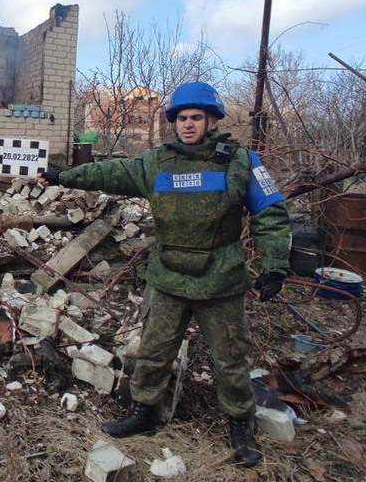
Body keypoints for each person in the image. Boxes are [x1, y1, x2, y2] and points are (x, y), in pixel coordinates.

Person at [38, 82, 290, 467]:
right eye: (182, 118)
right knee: (154, 350)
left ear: (212, 120)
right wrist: (64, 176)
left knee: (231, 357)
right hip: (169, 275)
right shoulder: (156, 162)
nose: (188, 125)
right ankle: (143, 412)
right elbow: (110, 172)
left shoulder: (241, 162)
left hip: (220, 278)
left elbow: (270, 214)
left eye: (196, 118)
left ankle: (240, 422)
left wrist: (275, 266)